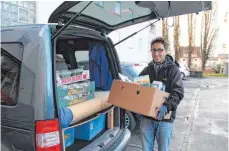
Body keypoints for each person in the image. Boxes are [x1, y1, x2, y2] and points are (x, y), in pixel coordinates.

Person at [139, 37, 184, 151]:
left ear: (165, 51)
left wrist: (166, 106)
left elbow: (178, 92)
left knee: (163, 149)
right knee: (146, 149)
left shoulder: (173, 70)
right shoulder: (146, 71)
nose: (156, 53)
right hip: (147, 118)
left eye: (160, 50)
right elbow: (138, 91)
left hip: (165, 118)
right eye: (153, 50)